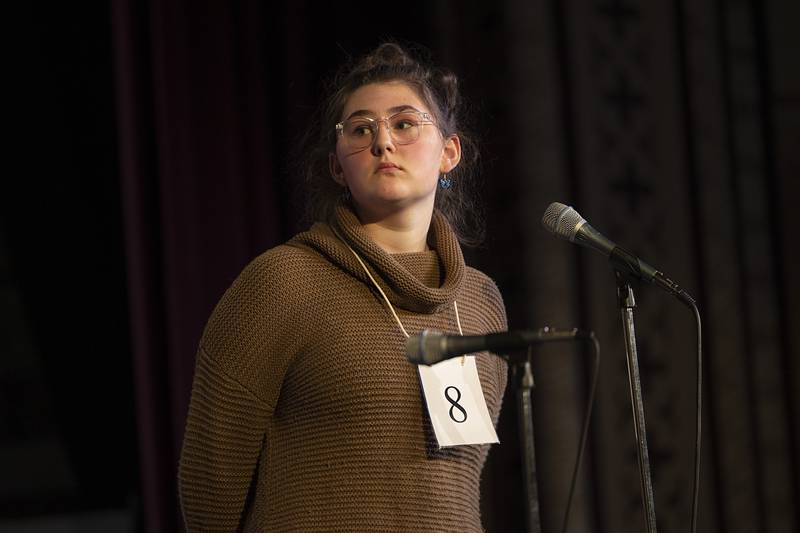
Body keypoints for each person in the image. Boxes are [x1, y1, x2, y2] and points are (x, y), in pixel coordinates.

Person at [178, 42, 509, 532]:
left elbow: (458, 490)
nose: (383, 143)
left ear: (449, 153)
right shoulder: (284, 282)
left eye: (403, 123)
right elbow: (210, 487)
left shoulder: (481, 304)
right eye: (360, 130)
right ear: (338, 166)